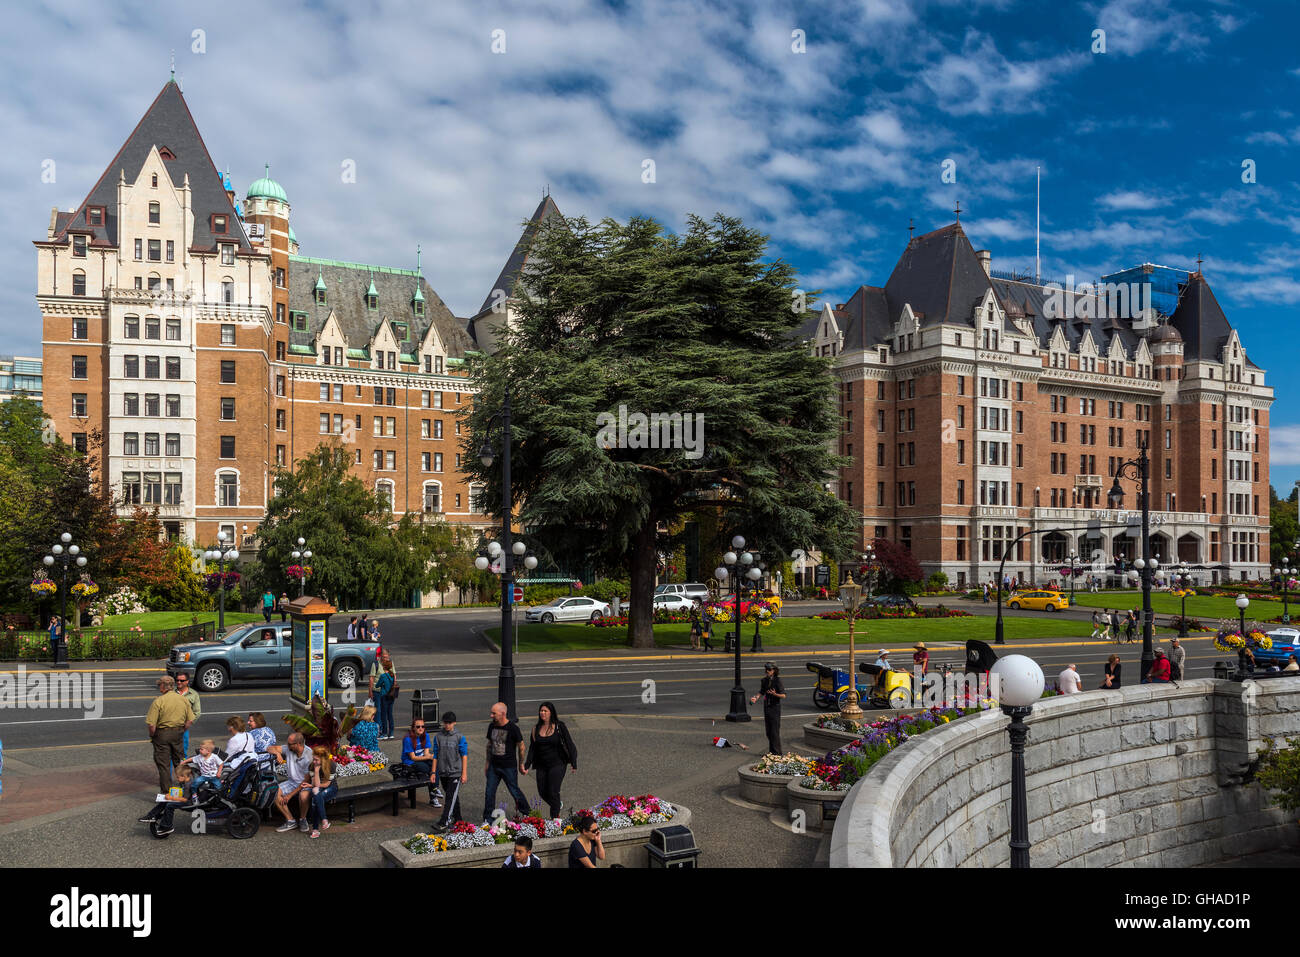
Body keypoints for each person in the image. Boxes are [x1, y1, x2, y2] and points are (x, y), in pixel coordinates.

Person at [524, 701, 578, 818]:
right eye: (541, 711)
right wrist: (526, 765)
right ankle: (557, 804)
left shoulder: (559, 726)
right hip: (542, 765)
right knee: (542, 791)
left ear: (551, 712)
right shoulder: (536, 728)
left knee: (553, 791)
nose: (542, 713)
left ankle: (555, 820)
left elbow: (569, 743)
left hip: (558, 763)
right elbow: (532, 748)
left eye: (545, 711)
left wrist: (574, 763)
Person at [146, 675, 195, 795]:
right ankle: (186, 788)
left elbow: (152, 725)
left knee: (164, 765)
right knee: (179, 761)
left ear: (163, 686)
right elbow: (190, 720)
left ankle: (166, 792)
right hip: (178, 733)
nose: (159, 687)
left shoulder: (159, 701)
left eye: (159, 685)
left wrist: (153, 735)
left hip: (162, 734)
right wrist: (182, 730)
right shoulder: (183, 699)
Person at [483, 701, 530, 824]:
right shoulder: (491, 726)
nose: (491, 715)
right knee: (489, 792)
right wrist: (487, 763)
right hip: (494, 766)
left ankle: (527, 814)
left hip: (508, 767)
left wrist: (521, 764)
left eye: (494, 713)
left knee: (514, 791)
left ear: (503, 713)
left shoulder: (513, 728)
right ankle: (488, 819)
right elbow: (489, 745)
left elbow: (522, 747)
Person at [432, 711, 469, 831]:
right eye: (445, 723)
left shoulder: (459, 737)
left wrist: (464, 773)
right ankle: (459, 820)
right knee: (453, 796)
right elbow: (435, 755)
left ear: (454, 723)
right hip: (443, 772)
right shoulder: (438, 737)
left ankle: (444, 821)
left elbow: (464, 755)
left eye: (449, 723)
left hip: (455, 773)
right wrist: (433, 772)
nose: (447, 725)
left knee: (449, 797)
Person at [271, 732, 315, 832]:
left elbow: (306, 780)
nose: (287, 745)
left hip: (305, 784)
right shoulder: (288, 748)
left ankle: (303, 819)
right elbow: (270, 748)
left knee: (303, 796)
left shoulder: (309, 755)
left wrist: (289, 795)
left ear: (299, 744)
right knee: (273, 791)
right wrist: (277, 753)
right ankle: (290, 820)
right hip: (292, 782)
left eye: (290, 744)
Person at [402, 717, 440, 806]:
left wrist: (430, 757)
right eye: (418, 726)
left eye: (423, 726)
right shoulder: (408, 739)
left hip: (421, 758)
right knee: (428, 768)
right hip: (410, 762)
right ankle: (433, 795)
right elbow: (413, 758)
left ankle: (435, 790)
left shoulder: (425, 735)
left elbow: (426, 753)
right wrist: (429, 757)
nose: (421, 728)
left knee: (435, 764)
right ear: (413, 728)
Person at [749, 663, 786, 754]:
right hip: (767, 707)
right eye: (766, 669)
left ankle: (777, 753)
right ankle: (772, 752)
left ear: (773, 671)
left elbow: (783, 695)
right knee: (768, 731)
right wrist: (755, 698)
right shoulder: (764, 680)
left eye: (769, 670)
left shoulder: (778, 681)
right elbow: (761, 692)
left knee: (774, 731)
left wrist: (775, 694)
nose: (767, 671)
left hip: (775, 707)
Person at [307, 745, 336, 839]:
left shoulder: (331, 765)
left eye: (316, 760)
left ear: (323, 759)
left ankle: (315, 829)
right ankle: (324, 820)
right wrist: (316, 771)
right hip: (319, 787)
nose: (314, 761)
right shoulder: (312, 766)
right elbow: (315, 784)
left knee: (316, 798)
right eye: (313, 759)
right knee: (316, 794)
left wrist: (314, 787)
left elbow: (327, 784)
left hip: (331, 787)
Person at [175, 672, 201, 766]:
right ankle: (169, 778)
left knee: (183, 753)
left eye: (181, 680)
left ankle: (182, 777)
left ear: (187, 681)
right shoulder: (171, 692)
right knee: (169, 754)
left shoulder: (193, 694)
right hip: (170, 727)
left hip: (184, 728)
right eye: (177, 680)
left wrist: (188, 724)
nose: (178, 682)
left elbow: (197, 712)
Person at [369, 652, 397, 739]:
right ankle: (389, 732)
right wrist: (370, 690)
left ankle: (383, 732)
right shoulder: (376, 664)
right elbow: (372, 678)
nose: (385, 659)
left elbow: (378, 684)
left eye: (386, 657)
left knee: (382, 712)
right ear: (380, 657)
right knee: (387, 713)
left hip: (384, 693)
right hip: (382, 693)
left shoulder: (384, 674)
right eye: (383, 657)